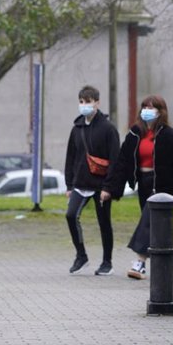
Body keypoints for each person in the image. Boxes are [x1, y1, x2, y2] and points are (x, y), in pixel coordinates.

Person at [101, 95, 173, 279]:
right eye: (144, 107)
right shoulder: (135, 133)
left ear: (161, 111)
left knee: (148, 221)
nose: (146, 110)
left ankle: (139, 263)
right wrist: (110, 188)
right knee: (157, 226)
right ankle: (165, 259)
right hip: (143, 184)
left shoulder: (169, 135)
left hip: (164, 185)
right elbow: (122, 162)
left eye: (151, 107)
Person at [64, 85, 120, 275]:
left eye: (88, 102)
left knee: (104, 223)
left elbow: (115, 160)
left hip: (101, 186)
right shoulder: (76, 128)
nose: (84, 105)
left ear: (97, 102)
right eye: (81, 102)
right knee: (71, 215)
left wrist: (108, 187)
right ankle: (81, 256)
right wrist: (69, 185)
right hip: (80, 184)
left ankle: (107, 262)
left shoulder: (108, 129)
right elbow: (70, 158)